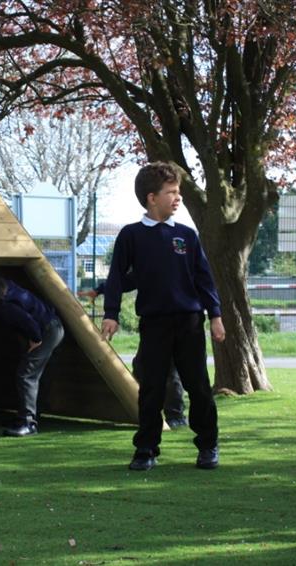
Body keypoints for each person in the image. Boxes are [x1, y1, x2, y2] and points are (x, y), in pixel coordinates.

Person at [101, 161, 226, 471]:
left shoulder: (187, 235)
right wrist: (111, 313)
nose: (178, 197)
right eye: (171, 192)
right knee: (151, 389)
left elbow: (204, 279)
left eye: (178, 191)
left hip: (189, 323)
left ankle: (208, 445)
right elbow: (118, 277)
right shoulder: (131, 236)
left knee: (198, 386)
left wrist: (215, 315)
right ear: (151, 197)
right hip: (154, 324)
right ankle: (146, 450)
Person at [80, 282, 188, 428]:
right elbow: (125, 280)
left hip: (175, 322)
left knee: (170, 370)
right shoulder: (148, 267)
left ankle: (176, 415)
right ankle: (139, 407)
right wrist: (99, 290)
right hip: (152, 323)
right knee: (141, 366)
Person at [0, 269, 64, 437]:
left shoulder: (3, 305)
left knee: (26, 375)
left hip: (47, 331)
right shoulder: (8, 287)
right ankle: (28, 416)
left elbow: (29, 324)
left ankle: (28, 422)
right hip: (52, 325)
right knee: (35, 374)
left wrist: (35, 340)